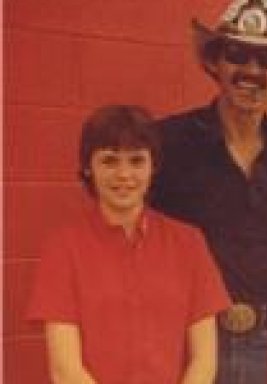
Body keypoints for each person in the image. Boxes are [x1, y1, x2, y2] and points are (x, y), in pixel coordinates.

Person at [150, 0, 267, 383]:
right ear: (213, 62)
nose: (252, 71)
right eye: (237, 55)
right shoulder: (169, 142)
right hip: (189, 346)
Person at [27, 105, 231, 384]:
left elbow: (204, 360)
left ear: (153, 166)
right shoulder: (62, 249)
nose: (124, 175)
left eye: (136, 161)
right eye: (109, 161)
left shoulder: (189, 244)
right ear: (88, 167)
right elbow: (65, 370)